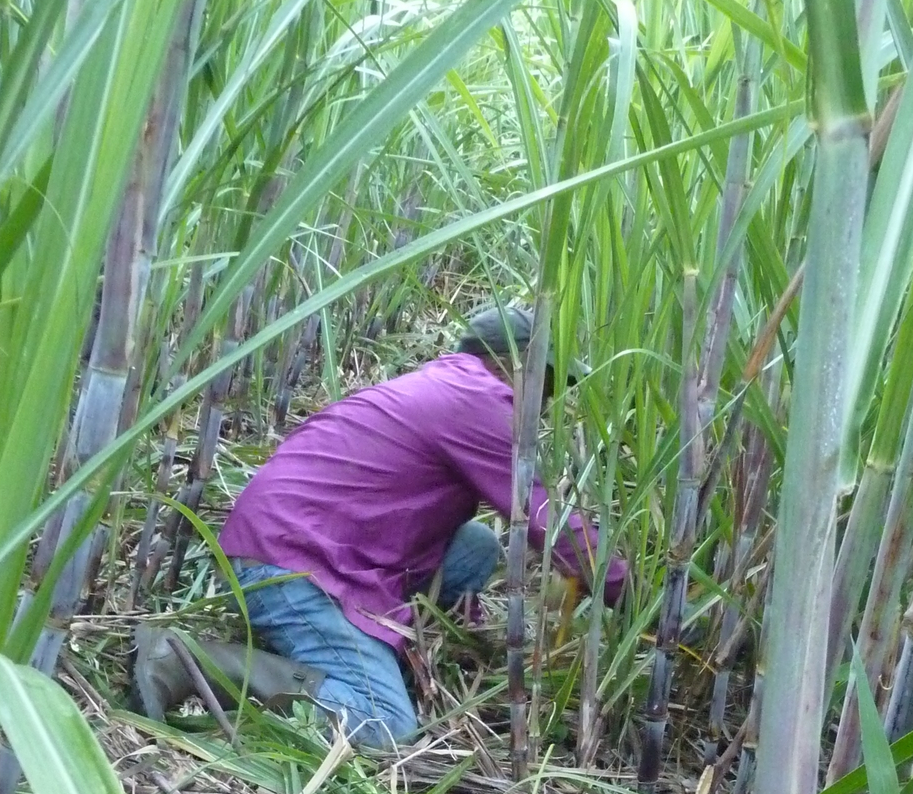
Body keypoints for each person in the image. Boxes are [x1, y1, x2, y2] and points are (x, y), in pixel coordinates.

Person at [137, 303, 627, 744]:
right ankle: (188, 661)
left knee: (476, 547)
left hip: (316, 542)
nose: (548, 402)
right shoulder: (476, 401)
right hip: (292, 564)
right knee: (384, 722)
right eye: (548, 382)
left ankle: (382, 656)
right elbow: (546, 522)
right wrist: (635, 596)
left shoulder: (444, 385)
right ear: (511, 365)